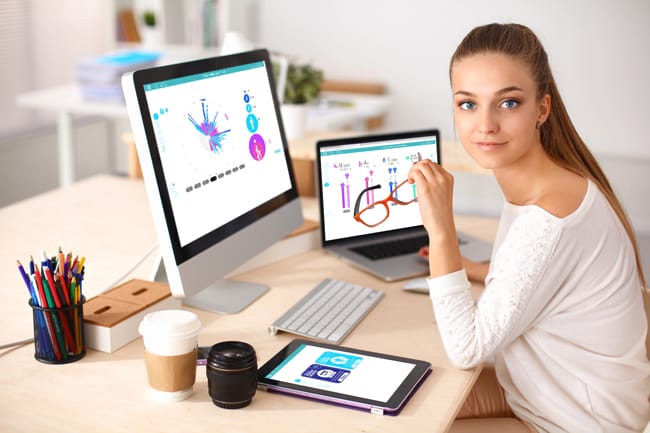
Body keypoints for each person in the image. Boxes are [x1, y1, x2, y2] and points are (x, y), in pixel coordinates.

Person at [408, 23, 650, 433]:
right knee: (411, 400)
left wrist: (442, 229)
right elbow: (550, 275)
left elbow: (467, 348)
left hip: (575, 420)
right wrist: (482, 271)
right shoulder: (551, 180)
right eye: (468, 104)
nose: (485, 125)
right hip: (540, 390)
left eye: (508, 103)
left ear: (542, 109)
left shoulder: (548, 218)